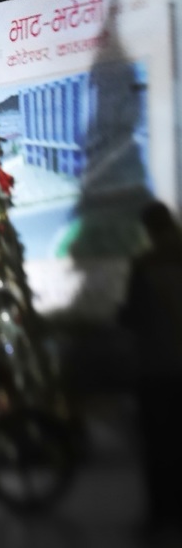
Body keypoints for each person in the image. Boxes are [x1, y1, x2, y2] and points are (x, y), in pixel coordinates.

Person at [119, 200, 182, 541]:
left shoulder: (144, 266)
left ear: (149, 229)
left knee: (158, 447)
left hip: (155, 368)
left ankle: (162, 515)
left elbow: (131, 316)